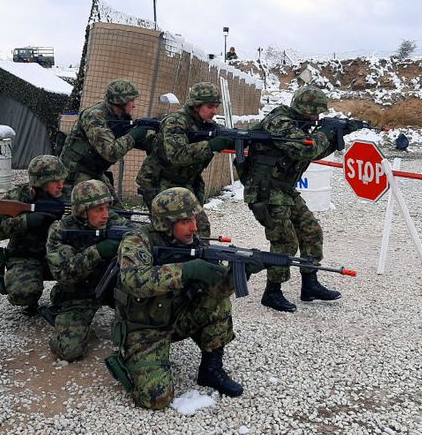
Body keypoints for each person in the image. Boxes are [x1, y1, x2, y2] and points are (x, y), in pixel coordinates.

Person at [108, 187, 250, 409]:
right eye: (185, 221)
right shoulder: (137, 240)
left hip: (177, 319)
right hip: (144, 329)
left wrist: (240, 273)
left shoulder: (193, 243)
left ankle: (211, 370)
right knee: (156, 399)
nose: (194, 227)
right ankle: (133, 360)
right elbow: (133, 280)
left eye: (194, 218)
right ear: (166, 223)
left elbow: (216, 291)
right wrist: (186, 271)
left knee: (218, 303)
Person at [240, 85, 349, 312]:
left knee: (311, 231)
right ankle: (272, 292)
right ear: (302, 108)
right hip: (264, 190)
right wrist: (326, 131)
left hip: (283, 189)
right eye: (314, 113)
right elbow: (304, 150)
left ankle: (310, 284)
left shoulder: (298, 125)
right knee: (285, 241)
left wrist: (337, 134)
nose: (317, 118)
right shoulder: (279, 122)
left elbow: (314, 151)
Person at [43, 179, 129, 361]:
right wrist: (98, 251)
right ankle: (61, 313)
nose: (106, 215)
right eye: (99, 210)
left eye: (107, 208)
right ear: (82, 211)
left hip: (111, 289)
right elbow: (63, 273)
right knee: (67, 351)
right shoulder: (61, 230)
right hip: (78, 294)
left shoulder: (116, 222)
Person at [136, 82, 232, 238]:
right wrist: (210, 146)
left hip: (184, 183)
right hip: (160, 182)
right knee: (174, 231)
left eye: (216, 106)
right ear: (196, 105)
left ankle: (198, 259)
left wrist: (243, 139)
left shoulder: (206, 125)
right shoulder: (176, 121)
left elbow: (225, 136)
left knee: (199, 227)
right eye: (210, 106)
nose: (214, 111)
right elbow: (177, 155)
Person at [0, 155, 68, 315]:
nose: (61, 185)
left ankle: (65, 295)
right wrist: (25, 221)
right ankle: (25, 292)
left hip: (59, 256)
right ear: (40, 182)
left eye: (62, 179)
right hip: (26, 257)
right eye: (54, 181)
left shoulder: (68, 196)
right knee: (23, 293)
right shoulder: (17, 197)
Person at [59, 79, 151, 204]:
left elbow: (134, 138)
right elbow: (111, 152)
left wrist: (152, 137)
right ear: (120, 102)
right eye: (131, 101)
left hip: (95, 172)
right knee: (98, 213)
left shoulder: (119, 117)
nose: (134, 105)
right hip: (77, 174)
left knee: (119, 212)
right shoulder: (95, 116)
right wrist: (134, 136)